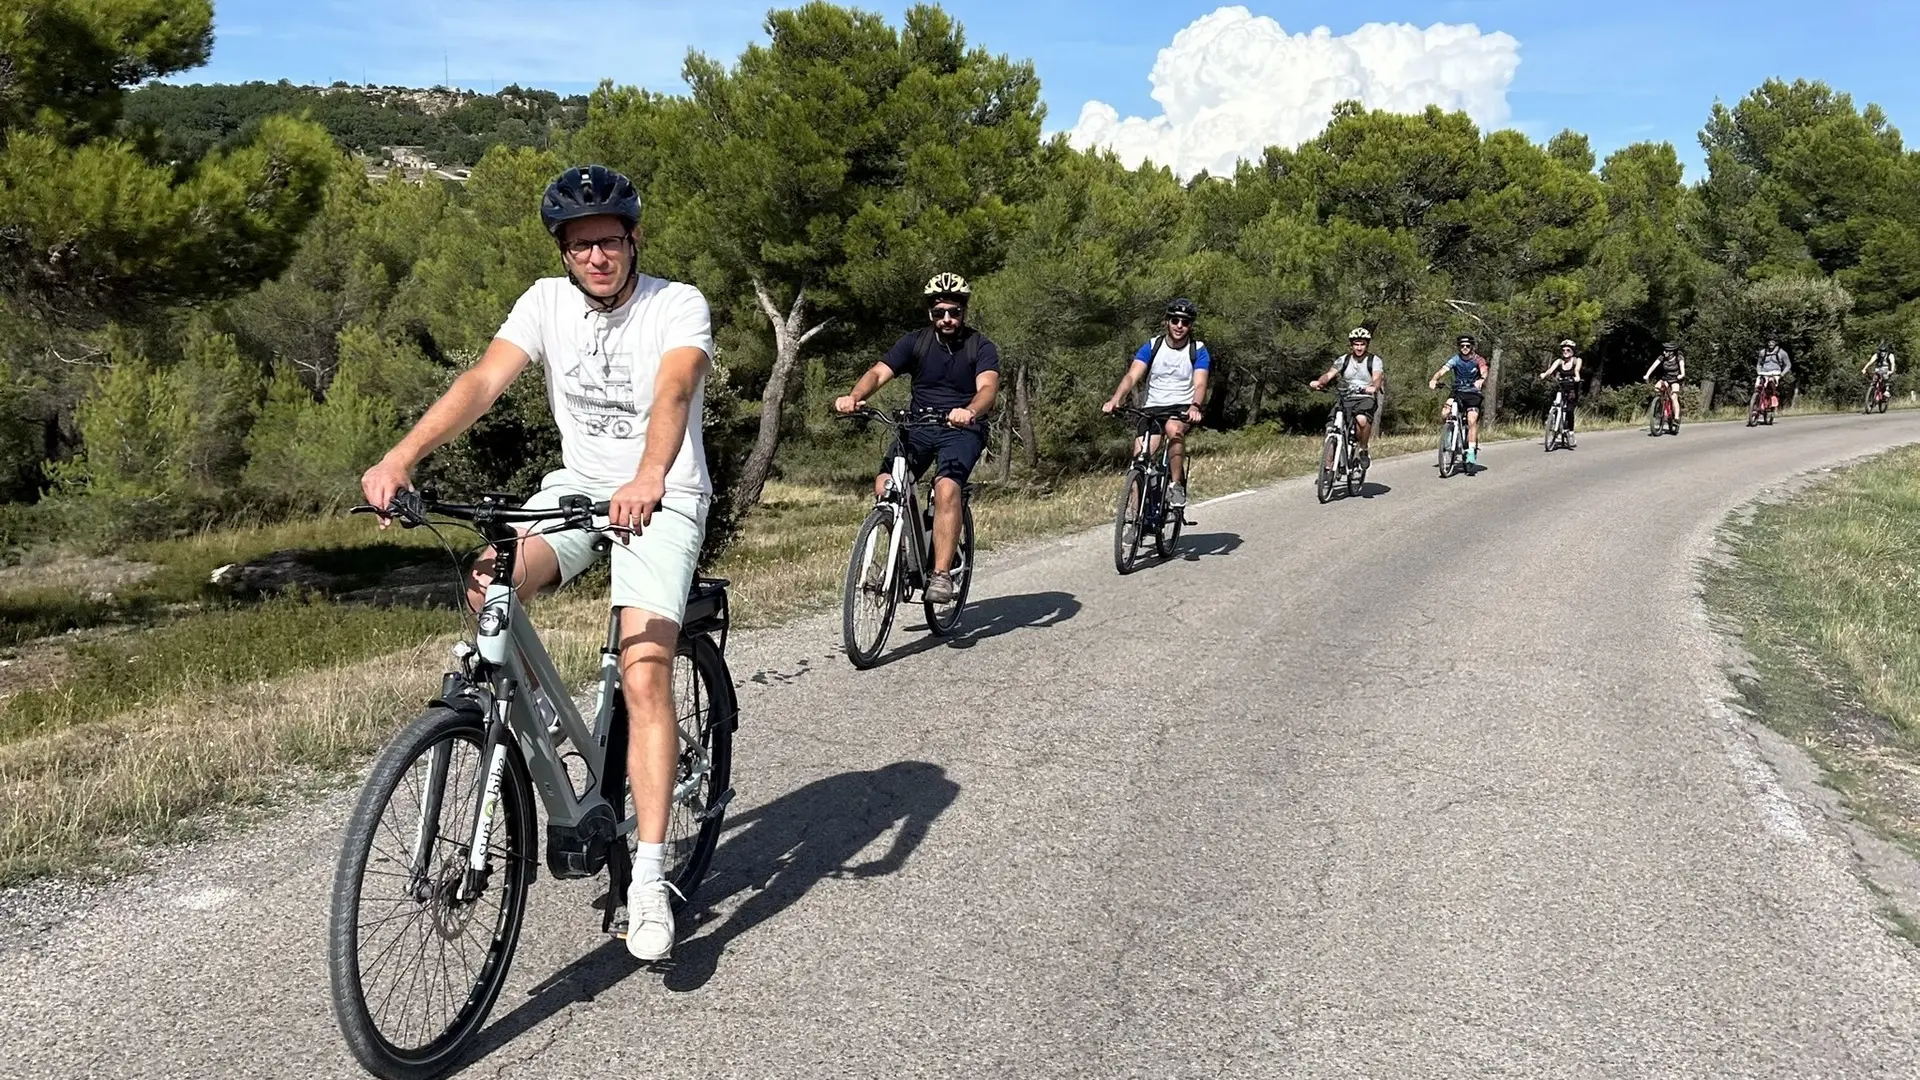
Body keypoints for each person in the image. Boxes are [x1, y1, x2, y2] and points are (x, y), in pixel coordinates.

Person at [360, 164, 714, 963]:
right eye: (581, 245)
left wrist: (651, 473)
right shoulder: (544, 302)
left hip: (664, 492)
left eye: (610, 242)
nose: (597, 257)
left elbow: (674, 393)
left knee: (645, 669)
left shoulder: (676, 303)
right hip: (577, 489)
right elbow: (484, 378)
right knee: (489, 579)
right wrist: (402, 454)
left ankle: (651, 879)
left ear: (634, 241)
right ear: (563, 251)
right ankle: (545, 720)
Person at [835, 272, 1000, 604]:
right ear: (931, 314)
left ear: (964, 311)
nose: (947, 319)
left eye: (954, 312)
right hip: (919, 426)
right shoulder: (916, 342)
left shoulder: (980, 346)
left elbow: (988, 389)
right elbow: (878, 372)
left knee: (946, 488)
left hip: (962, 429)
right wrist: (854, 396)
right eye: (940, 313)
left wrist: (969, 410)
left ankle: (940, 574)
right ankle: (904, 550)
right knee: (885, 484)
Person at [1103, 298, 1210, 506]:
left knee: (1173, 428)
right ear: (1167, 321)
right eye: (1175, 320)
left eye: (1185, 322)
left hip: (1182, 407)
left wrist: (1195, 406)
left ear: (1190, 326)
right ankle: (1135, 520)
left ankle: (1175, 485)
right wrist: (1116, 399)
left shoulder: (1198, 349)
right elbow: (1132, 376)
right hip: (1152, 407)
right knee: (1139, 460)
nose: (1179, 326)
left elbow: (1200, 384)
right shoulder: (1153, 346)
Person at [1309, 327, 1384, 465]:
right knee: (1331, 428)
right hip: (1346, 397)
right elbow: (1329, 374)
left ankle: (1363, 448)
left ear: (1367, 345)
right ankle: (1328, 468)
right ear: (1351, 345)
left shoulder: (1374, 360)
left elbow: (1377, 377)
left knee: (1361, 420)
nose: (1359, 347)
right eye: (1356, 344)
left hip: (1365, 397)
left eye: (1362, 344)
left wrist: (1374, 387)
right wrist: (1320, 382)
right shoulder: (1343, 359)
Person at [1428, 335, 1489, 465]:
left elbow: (1484, 371)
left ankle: (1471, 450)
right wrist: (1434, 379)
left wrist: (1481, 380)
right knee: (1445, 412)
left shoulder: (1478, 360)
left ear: (1472, 346)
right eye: (1462, 346)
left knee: (1472, 419)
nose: (1465, 348)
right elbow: (1442, 370)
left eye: (1467, 346)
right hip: (1458, 391)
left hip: (1473, 393)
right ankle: (1449, 434)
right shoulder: (1456, 359)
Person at [1540, 339, 1583, 444]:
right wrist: (1544, 375)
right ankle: (1552, 420)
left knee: (1569, 410)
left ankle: (1571, 433)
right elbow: (1550, 370)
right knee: (1555, 402)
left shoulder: (1577, 360)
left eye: (1568, 350)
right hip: (1562, 387)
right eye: (1563, 350)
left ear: (1572, 351)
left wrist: (1577, 377)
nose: (1565, 352)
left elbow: (1577, 371)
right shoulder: (1559, 361)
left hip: (1572, 388)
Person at [1642, 341, 1686, 431]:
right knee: (1656, 388)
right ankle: (1661, 404)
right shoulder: (1662, 357)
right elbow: (1653, 366)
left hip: (1676, 380)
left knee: (1674, 397)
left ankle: (1676, 417)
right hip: (1666, 379)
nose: (1664, 352)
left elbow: (1682, 367)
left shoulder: (1679, 357)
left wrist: (1682, 375)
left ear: (1671, 352)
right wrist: (1647, 375)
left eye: (1666, 351)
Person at [1755, 334, 1791, 417]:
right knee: (1758, 386)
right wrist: (1759, 372)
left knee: (1771, 383)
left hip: (1776, 372)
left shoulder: (1782, 353)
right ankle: (1758, 403)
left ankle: (1773, 401)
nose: (1771, 344)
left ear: (1776, 343)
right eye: (1769, 342)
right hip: (1764, 372)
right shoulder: (1762, 352)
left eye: (1772, 342)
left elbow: (1788, 365)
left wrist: (1782, 374)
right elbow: (1759, 364)